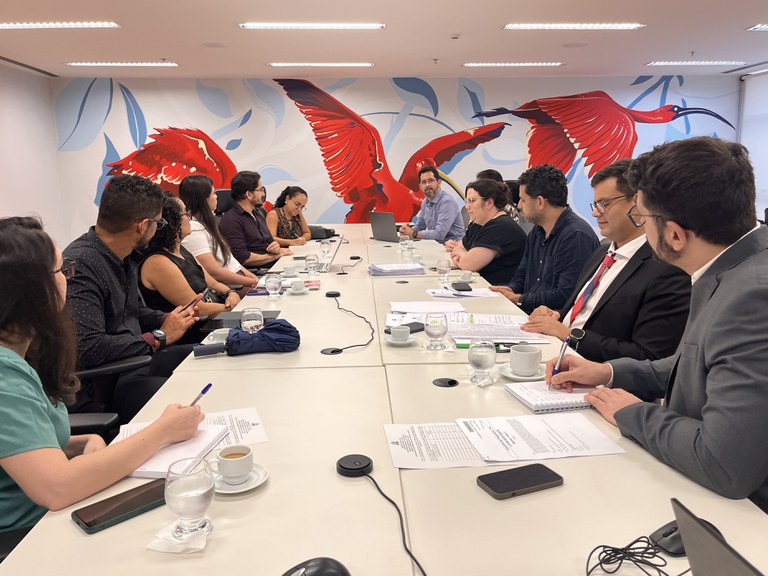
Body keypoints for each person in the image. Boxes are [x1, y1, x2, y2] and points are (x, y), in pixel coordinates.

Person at [548, 137, 768, 512]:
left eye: (643, 218)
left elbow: (723, 463)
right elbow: (694, 364)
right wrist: (607, 372)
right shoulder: (733, 266)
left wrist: (632, 413)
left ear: (675, 235)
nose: (641, 228)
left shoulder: (751, 299)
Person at [0, 217, 203, 532]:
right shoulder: (5, 375)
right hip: (28, 537)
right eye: (61, 271)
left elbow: (21, 445)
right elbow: (56, 487)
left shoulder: (19, 354)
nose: (67, 279)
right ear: (30, 289)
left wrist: (81, 443)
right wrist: (163, 431)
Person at [521, 160, 691, 362]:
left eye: (605, 204)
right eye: (596, 205)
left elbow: (648, 357)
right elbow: (579, 314)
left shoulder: (665, 269)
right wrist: (554, 315)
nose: (595, 213)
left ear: (637, 203)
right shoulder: (602, 253)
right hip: (558, 352)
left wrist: (571, 336)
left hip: (592, 370)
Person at [63, 175, 199, 421]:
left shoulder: (124, 255)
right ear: (142, 225)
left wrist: (167, 319)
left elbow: (132, 312)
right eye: (158, 222)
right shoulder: (80, 264)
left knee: (205, 359)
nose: (158, 228)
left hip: (136, 361)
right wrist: (159, 337)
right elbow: (88, 348)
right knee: (190, 395)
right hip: (107, 383)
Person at [491, 164, 599, 313]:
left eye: (523, 200)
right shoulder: (537, 231)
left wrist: (518, 299)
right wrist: (510, 289)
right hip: (531, 313)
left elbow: (565, 296)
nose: (519, 206)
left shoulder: (576, 236)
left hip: (553, 320)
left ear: (540, 202)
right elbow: (522, 274)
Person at [140, 193, 240, 333]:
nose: (189, 217)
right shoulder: (157, 262)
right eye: (186, 214)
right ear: (173, 222)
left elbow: (213, 283)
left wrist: (231, 293)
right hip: (195, 331)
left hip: (213, 319)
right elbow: (199, 309)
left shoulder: (181, 250)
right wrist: (233, 307)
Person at [179, 175, 259, 292]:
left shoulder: (207, 224)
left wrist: (254, 279)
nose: (217, 197)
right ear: (203, 199)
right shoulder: (194, 230)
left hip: (240, 281)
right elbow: (214, 272)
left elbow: (232, 263)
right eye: (213, 193)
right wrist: (253, 282)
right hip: (231, 287)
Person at [445, 179, 526, 285]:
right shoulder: (478, 222)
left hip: (500, 291)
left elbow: (468, 265)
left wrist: (463, 257)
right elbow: (458, 248)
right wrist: (464, 255)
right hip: (482, 285)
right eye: (467, 201)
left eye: (472, 201)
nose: (467, 206)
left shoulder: (501, 227)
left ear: (489, 203)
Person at [218, 170, 292, 268]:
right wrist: (275, 256)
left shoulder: (258, 213)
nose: (263, 194)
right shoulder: (231, 220)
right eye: (261, 190)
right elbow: (242, 258)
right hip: (259, 271)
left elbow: (270, 242)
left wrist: (276, 247)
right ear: (249, 194)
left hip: (273, 264)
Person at [399, 166, 465, 243]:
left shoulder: (447, 202)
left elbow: (439, 234)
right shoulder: (425, 202)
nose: (427, 185)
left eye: (430, 180)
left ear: (438, 182)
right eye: (424, 182)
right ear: (420, 186)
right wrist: (406, 231)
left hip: (453, 246)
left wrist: (414, 233)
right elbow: (420, 226)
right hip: (436, 245)